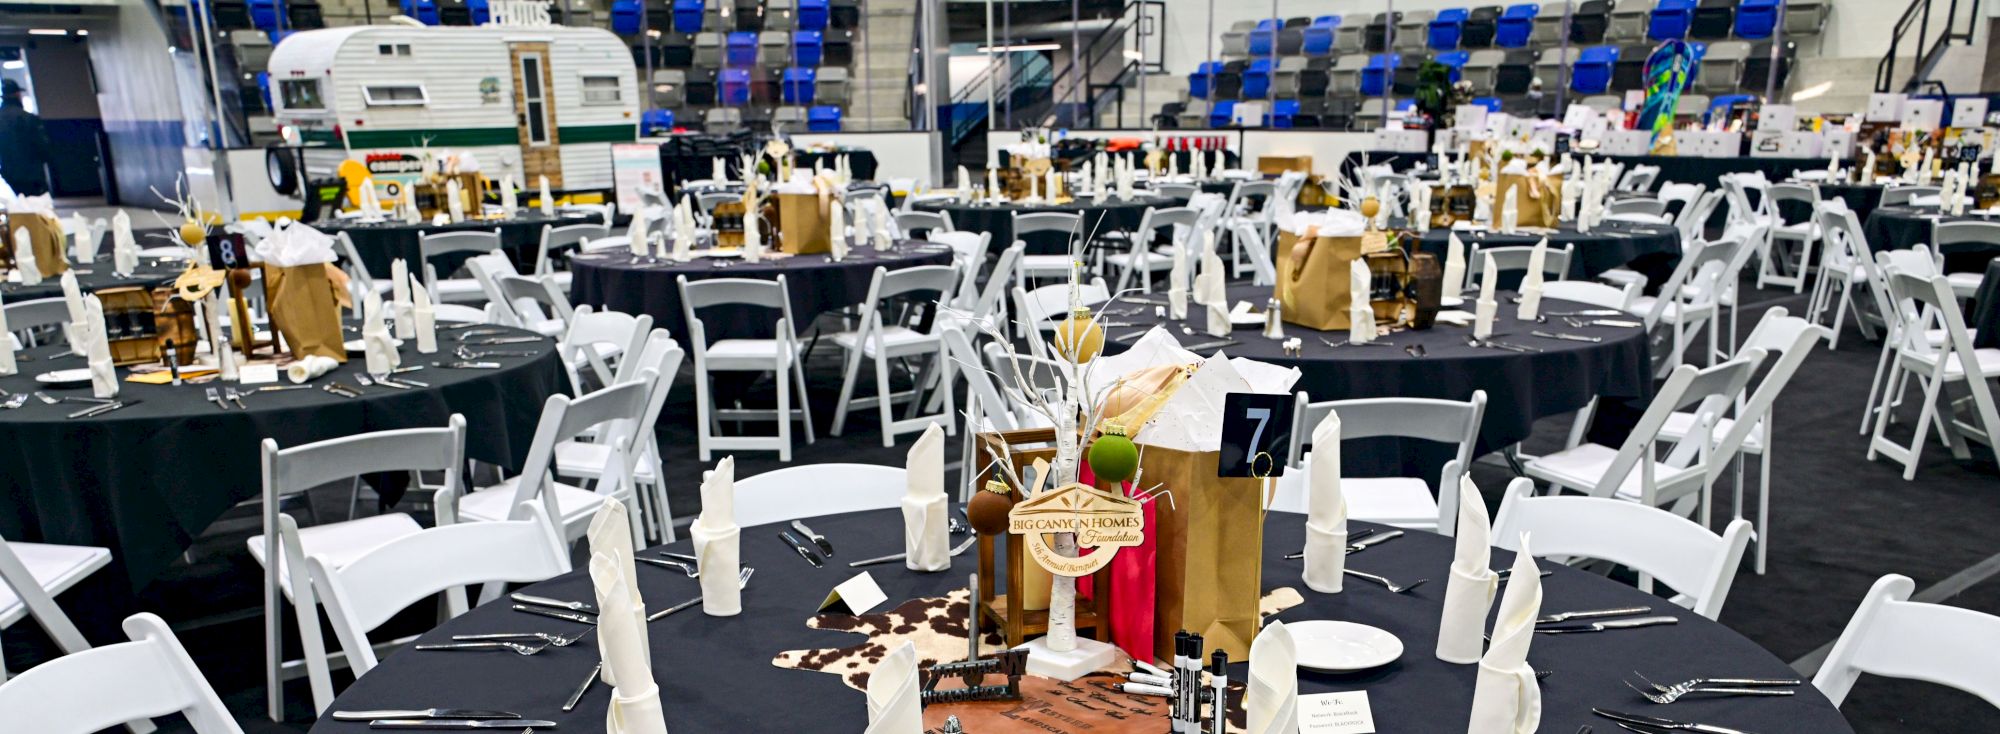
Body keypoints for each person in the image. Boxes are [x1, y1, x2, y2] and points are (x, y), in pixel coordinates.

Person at [0, 79, 53, 196]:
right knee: (36, 202)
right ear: (17, 94)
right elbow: (42, 145)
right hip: (32, 173)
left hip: (8, 172)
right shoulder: (28, 118)